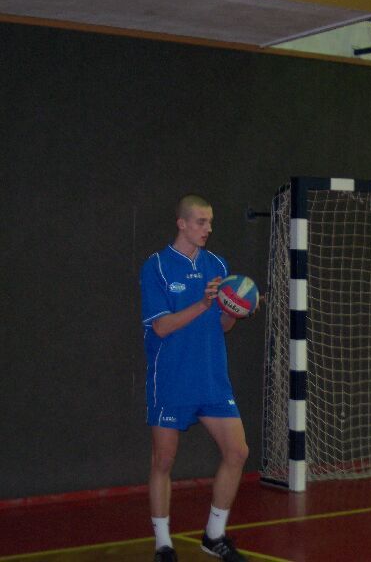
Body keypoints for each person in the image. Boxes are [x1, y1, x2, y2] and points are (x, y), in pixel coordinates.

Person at [140, 194, 249, 562]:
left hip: (212, 378)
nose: (208, 229)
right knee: (163, 461)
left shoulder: (217, 264)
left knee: (237, 452)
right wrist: (203, 303)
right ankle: (163, 544)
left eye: (210, 222)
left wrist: (235, 309)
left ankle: (214, 535)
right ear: (182, 223)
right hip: (172, 379)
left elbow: (223, 325)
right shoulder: (156, 267)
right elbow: (160, 327)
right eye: (201, 222)